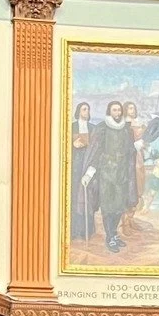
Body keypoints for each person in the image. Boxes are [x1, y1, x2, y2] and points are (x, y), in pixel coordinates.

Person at [83, 102, 136, 253]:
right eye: (114, 110)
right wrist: (89, 173)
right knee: (108, 207)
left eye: (119, 110)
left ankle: (113, 234)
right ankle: (109, 237)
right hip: (106, 174)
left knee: (119, 207)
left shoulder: (126, 129)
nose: (117, 113)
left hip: (122, 175)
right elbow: (96, 151)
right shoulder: (102, 128)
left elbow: (130, 151)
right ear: (109, 111)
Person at [70, 102, 98, 241]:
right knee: (74, 198)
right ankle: (74, 232)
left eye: (88, 109)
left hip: (87, 166)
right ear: (78, 111)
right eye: (84, 109)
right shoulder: (71, 127)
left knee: (88, 199)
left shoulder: (93, 128)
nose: (86, 112)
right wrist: (72, 145)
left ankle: (87, 231)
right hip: (74, 167)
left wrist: (90, 172)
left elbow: (96, 150)